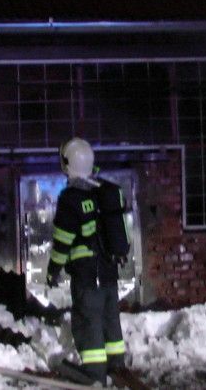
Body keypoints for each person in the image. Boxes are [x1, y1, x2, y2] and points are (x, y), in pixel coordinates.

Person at [46, 137, 131, 385]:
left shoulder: (71, 199)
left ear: (68, 164)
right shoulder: (103, 192)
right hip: (108, 272)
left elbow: (62, 242)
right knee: (110, 319)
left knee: (88, 321)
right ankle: (116, 366)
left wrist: (53, 272)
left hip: (86, 275)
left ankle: (95, 374)